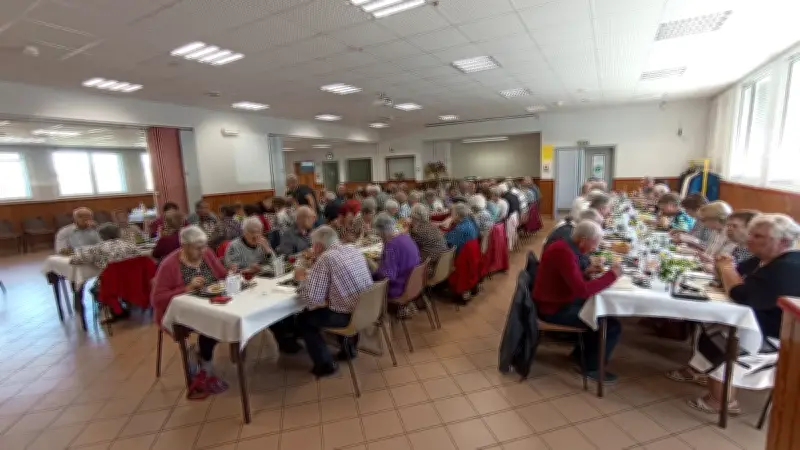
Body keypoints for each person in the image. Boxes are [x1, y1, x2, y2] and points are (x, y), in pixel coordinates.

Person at [668, 214, 800, 414]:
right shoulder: (763, 258)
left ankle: (722, 401)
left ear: (782, 242)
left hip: (777, 336)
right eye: (751, 234)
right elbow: (734, 274)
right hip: (755, 322)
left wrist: (727, 269)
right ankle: (702, 372)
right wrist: (726, 271)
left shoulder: (788, 267)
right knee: (708, 324)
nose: (750, 239)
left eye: (758, 236)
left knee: (724, 339)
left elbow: (740, 293)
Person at [533, 220, 623, 383]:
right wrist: (612, 276)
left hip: (558, 300)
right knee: (610, 325)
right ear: (583, 240)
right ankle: (591, 368)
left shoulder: (565, 246)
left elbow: (567, 276)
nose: (594, 249)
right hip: (553, 309)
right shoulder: (563, 252)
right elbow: (582, 290)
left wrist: (586, 270)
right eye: (594, 245)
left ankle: (582, 357)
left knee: (598, 311)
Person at [151, 226, 229, 396]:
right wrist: (186, 288)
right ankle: (205, 362)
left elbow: (222, 274)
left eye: (204, 246)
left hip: (211, 304)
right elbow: (157, 299)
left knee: (225, 321)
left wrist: (232, 272)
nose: (203, 251)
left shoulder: (207, 253)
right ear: (184, 246)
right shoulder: (170, 264)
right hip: (182, 314)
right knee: (212, 326)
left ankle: (203, 356)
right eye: (198, 248)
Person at [293, 226, 373, 376]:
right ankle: (349, 349)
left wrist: (301, 280)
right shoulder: (352, 248)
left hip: (348, 316)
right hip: (366, 309)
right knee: (333, 304)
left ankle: (325, 365)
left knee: (303, 319)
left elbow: (313, 298)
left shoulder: (326, 258)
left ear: (317, 246)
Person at [71, 223, 142, 321]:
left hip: (111, 283)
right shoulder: (130, 245)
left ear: (101, 236)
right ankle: (125, 304)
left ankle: (110, 311)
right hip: (133, 281)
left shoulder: (98, 248)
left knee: (95, 288)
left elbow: (76, 260)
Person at [371, 213, 421, 299]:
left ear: (383, 232)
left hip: (399, 288)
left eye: (379, 235)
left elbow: (388, 276)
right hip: (414, 284)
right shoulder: (405, 237)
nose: (380, 238)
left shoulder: (391, 245)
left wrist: (375, 269)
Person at [696, 201, 735, 270]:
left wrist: (708, 258)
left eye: (704, 220)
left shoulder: (731, 234)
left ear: (715, 219)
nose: (703, 224)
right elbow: (708, 252)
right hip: (707, 267)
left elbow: (724, 263)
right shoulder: (715, 231)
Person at [408, 204, 448, 270]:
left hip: (430, 265)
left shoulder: (418, 231)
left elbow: (410, 247)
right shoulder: (431, 225)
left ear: (414, 217)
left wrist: (408, 229)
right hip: (441, 262)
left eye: (411, 216)